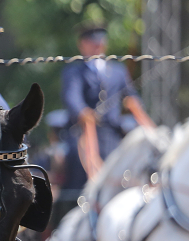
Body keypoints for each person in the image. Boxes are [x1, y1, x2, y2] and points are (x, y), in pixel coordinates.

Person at [60, 22, 154, 193]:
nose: (97, 45)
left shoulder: (117, 71)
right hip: (82, 136)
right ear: (82, 44)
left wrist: (135, 104)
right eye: (92, 41)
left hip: (112, 136)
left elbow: (130, 94)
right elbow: (72, 97)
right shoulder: (74, 71)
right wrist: (84, 112)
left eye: (100, 41)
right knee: (79, 176)